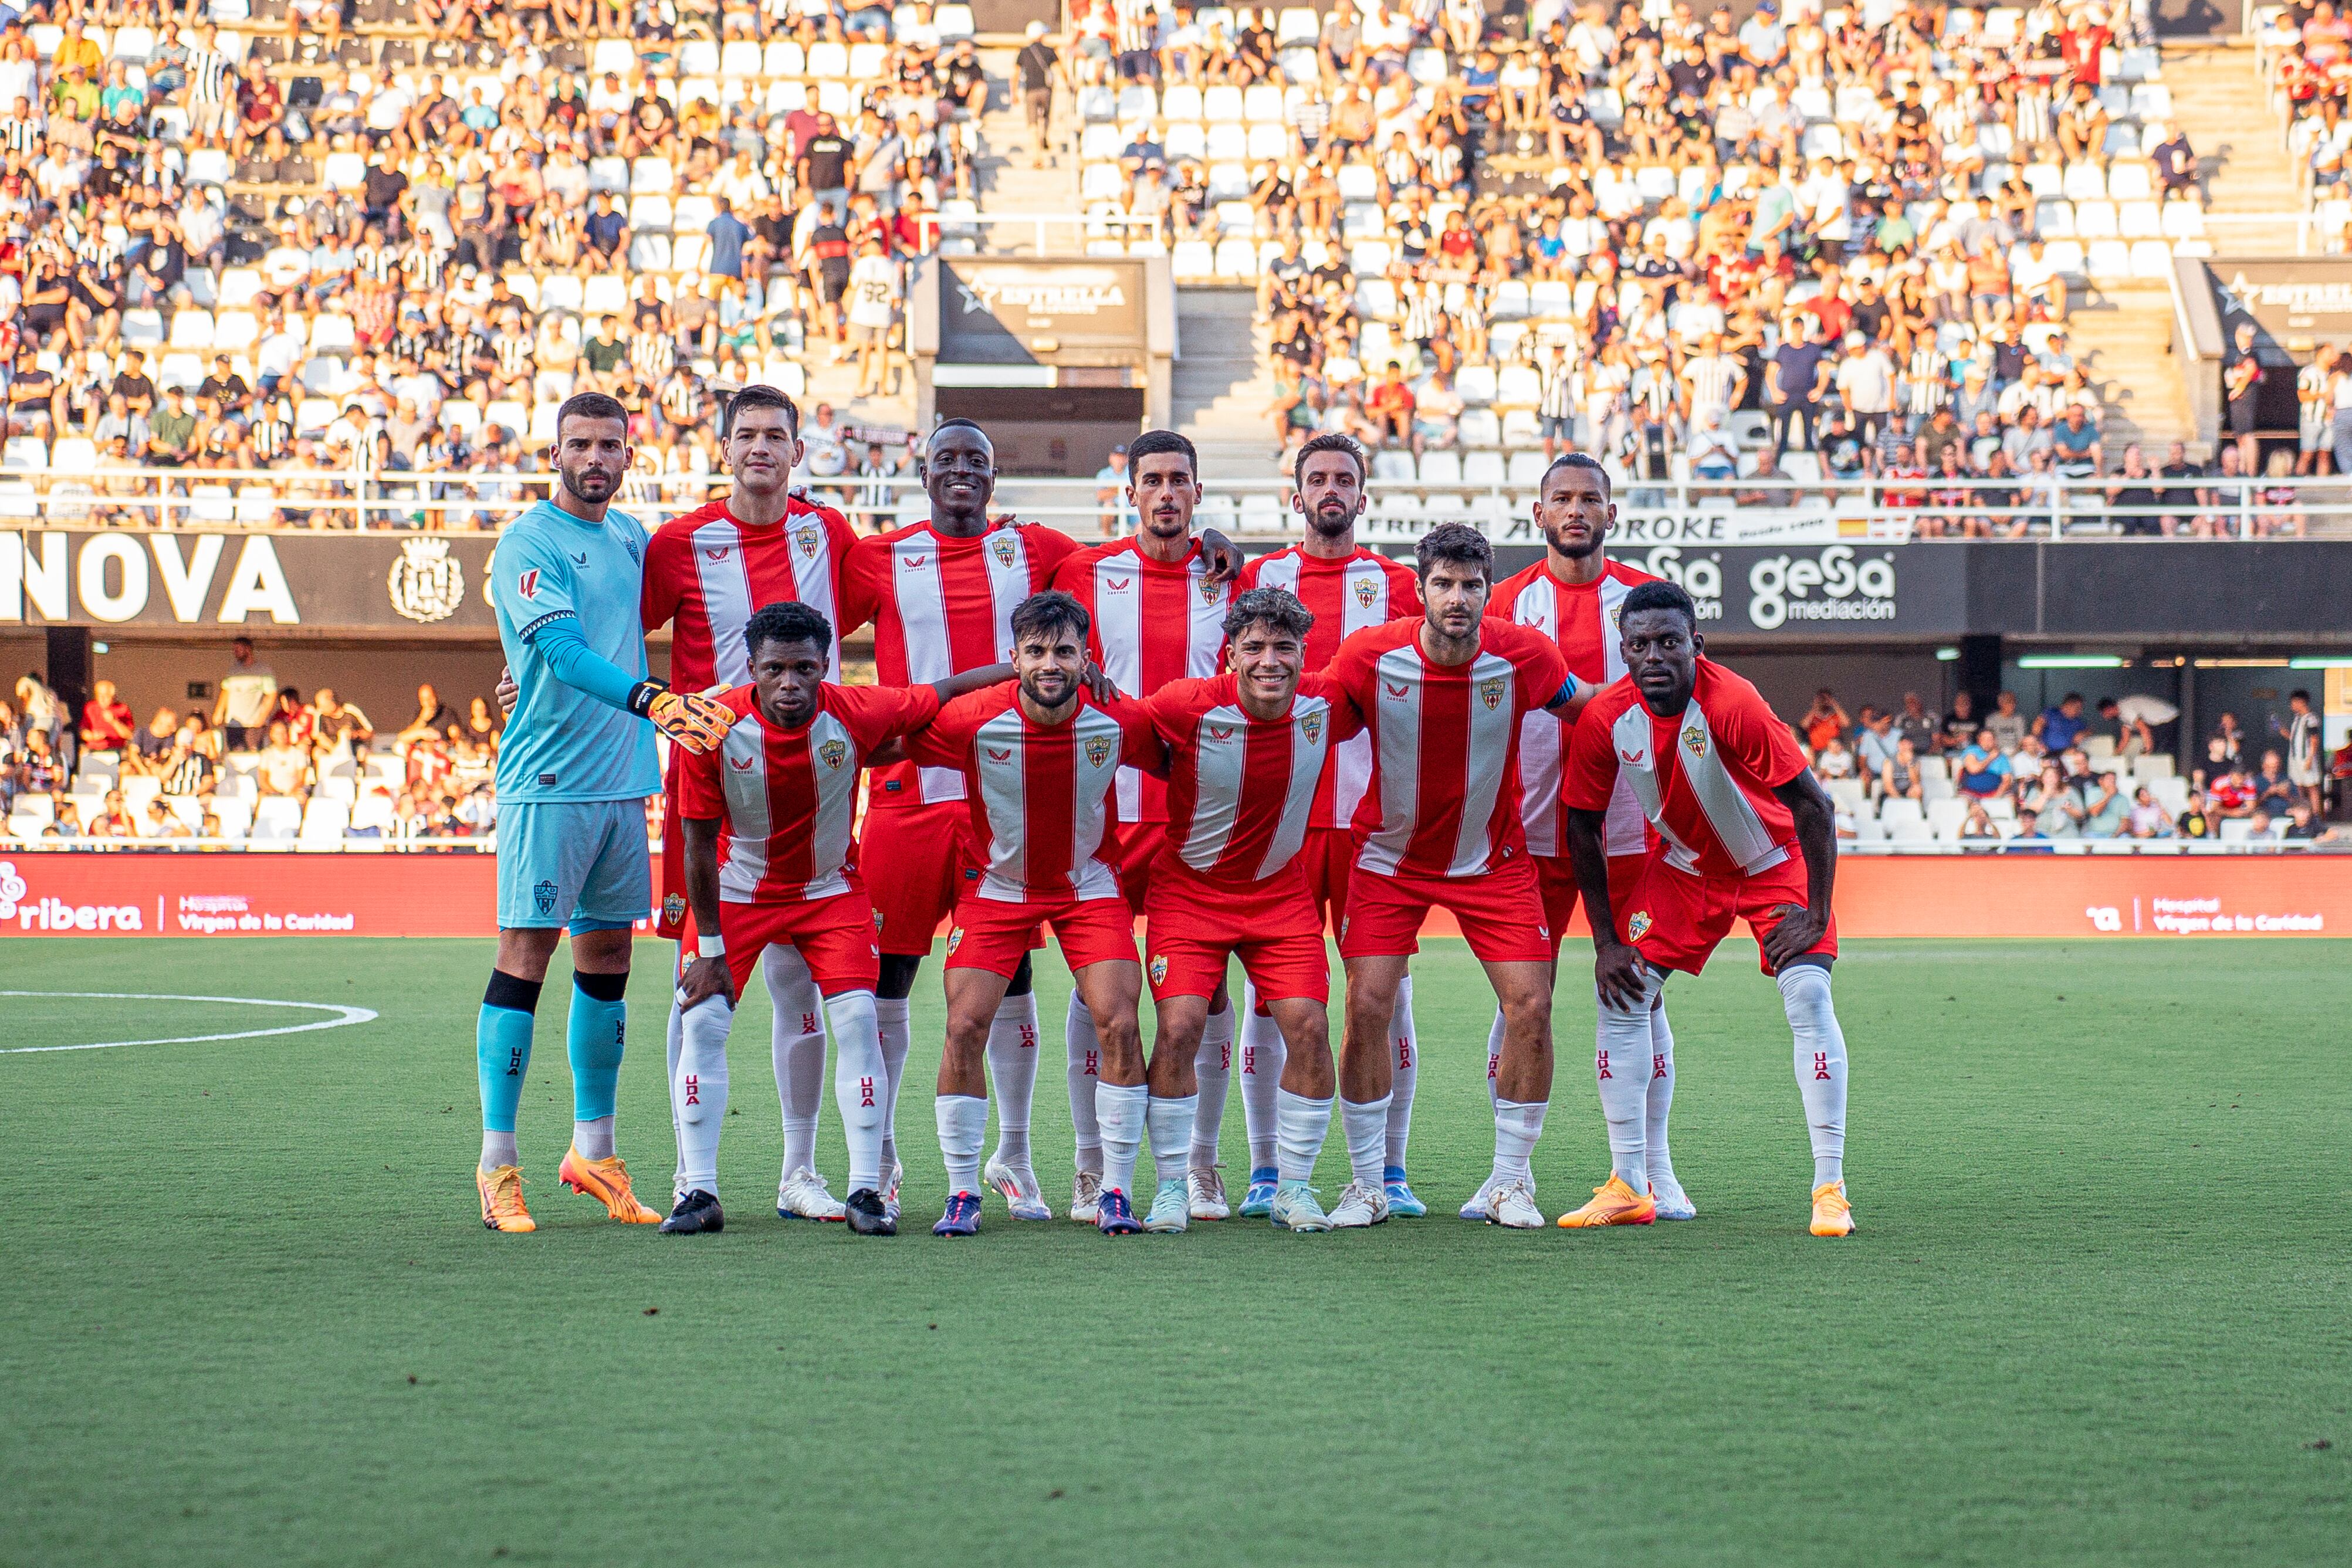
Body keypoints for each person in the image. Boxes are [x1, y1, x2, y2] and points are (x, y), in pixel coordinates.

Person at [834, 419, 1240, 1227]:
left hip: (1027, 799)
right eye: (945, 459)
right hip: (917, 791)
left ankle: (1016, 1158)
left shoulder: (1041, 550)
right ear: (918, 471)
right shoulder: (871, 556)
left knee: (1021, 977)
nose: (960, 472)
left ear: (995, 476)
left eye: (975, 462)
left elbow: (1152, 554)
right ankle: (875, 1162)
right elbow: (800, 636)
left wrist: (1210, 539)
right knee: (893, 979)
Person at [471, 392, 733, 1235]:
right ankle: (496, 1163)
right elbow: (559, 649)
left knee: (609, 958)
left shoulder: (629, 538)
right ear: (555, 451)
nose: (595, 457)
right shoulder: (529, 540)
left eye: (609, 445)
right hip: (549, 780)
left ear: (629, 455)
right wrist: (652, 698)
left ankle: (594, 1151)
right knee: (527, 954)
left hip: (623, 779)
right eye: (580, 443)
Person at [665, 601, 1009, 1237]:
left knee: (858, 1019)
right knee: (704, 1022)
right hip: (740, 889)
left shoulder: (857, 709)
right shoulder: (711, 726)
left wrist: (1023, 670)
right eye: (775, 669)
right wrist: (710, 947)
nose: (789, 683)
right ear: (751, 669)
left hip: (830, 893)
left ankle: (864, 1191)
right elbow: (695, 842)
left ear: (827, 667)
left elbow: (946, 692)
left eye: (803, 668)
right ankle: (700, 1191)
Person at [1559, 579, 1854, 1238]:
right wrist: (1605, 939)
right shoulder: (1608, 717)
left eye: (1669, 643)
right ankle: (1630, 1184)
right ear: (1623, 651)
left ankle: (1829, 1188)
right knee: (1623, 994)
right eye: (1639, 646)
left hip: (1773, 864)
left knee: (1807, 1000)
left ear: (1696, 643)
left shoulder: (1734, 704)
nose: (1654, 658)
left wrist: (1816, 908)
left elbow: (1814, 807)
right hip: (1686, 869)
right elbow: (1581, 825)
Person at [1318, 523, 1586, 1230]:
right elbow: (1302, 719)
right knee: (1367, 1006)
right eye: (1444, 583)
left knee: (1531, 1006)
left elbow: (1590, 710)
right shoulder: (1369, 655)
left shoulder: (1526, 654)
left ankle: (1508, 1183)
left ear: (1490, 590)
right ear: (1419, 588)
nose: (1458, 597)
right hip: (1388, 862)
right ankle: (1367, 1184)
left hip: (1492, 863)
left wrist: (1684, 703)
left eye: (1471, 585)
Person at [641, 385, 861, 1221]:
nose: (761, 446)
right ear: (723, 448)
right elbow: (616, 633)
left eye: (777, 434)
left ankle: (799, 1173)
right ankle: (690, 1174)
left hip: (810, 778)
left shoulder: (828, 534)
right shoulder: (679, 544)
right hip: (709, 786)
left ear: (799, 452)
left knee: (799, 979)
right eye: (747, 434)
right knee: (695, 977)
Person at [902, 591, 1165, 1237]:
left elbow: (1179, 753)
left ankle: (1116, 1191)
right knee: (964, 1026)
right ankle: (963, 1190)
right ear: (1013, 658)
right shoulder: (973, 719)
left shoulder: (1117, 721)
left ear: (1087, 659)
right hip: (996, 889)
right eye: (1037, 652)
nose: (1052, 664)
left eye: (1066, 652)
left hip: (1089, 889)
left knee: (1120, 1023)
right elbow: (886, 737)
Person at [1481, 454, 1690, 1222]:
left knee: (1639, 999)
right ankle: (1508, 1175)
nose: (1576, 510)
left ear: (1613, 513)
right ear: (1537, 514)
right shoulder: (1502, 605)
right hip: (1530, 833)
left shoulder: (1643, 604)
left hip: (1632, 835)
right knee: (1518, 1004)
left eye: (1590, 499)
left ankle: (1652, 1173)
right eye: (1561, 499)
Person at [1051, 431, 1241, 1222]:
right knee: (1097, 985)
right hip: (1101, 809)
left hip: (1199, 816)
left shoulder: (1233, 577)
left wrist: (1225, 547)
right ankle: (1091, 1164)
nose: (1167, 493)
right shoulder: (1083, 572)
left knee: (1209, 988)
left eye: (1180, 481)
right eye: (1153, 480)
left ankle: (1202, 1163)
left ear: (1198, 492)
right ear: (1128, 492)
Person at [1130, 587, 1358, 1232]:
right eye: (1253, 647)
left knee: (1310, 1030)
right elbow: (1120, 733)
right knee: (1178, 1029)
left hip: (1279, 895)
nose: (1269, 661)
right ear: (1229, 654)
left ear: (1303, 654)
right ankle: (1173, 1184)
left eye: (1283, 647)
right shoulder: (1183, 705)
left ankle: (1294, 1187)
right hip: (1189, 892)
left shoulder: (1327, 703)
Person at [1236, 433, 1423, 1218]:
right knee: (1267, 1000)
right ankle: (1264, 1170)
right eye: (1317, 478)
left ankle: (1386, 1170)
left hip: (1369, 823)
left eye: (1344, 478)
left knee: (1382, 998)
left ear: (1363, 495)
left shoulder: (1397, 583)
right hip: (1280, 821)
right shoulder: (1258, 576)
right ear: (1296, 494)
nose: (1330, 489)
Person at [212, 637, 278, 749]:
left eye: (238, 649)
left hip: (253, 724)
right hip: (233, 723)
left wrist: (261, 719)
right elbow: (226, 691)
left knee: (253, 755)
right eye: (234, 650)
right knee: (236, 753)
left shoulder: (263, 671)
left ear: (248, 649)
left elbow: (271, 695)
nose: (235, 653)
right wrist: (219, 711)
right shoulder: (233, 671)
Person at [78, 679, 136, 754]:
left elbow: (129, 735)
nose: (102, 699)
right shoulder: (90, 707)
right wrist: (92, 736)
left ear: (113, 696)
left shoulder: (123, 709)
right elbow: (83, 731)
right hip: (94, 749)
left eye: (105, 696)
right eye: (99, 695)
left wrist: (114, 721)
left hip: (117, 750)